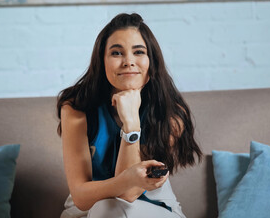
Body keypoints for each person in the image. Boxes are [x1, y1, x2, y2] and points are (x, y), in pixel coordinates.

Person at [57, 13, 202, 218]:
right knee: (105, 209)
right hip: (87, 212)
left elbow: (129, 194)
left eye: (139, 52)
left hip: (154, 209)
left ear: (151, 61)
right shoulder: (76, 108)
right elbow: (80, 196)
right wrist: (129, 178)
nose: (129, 61)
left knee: (111, 210)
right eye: (117, 53)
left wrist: (131, 122)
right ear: (102, 61)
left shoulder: (171, 113)